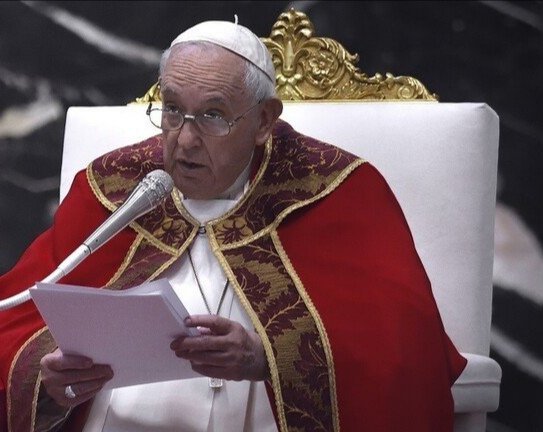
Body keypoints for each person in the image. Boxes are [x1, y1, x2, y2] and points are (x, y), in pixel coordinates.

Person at [0, 19, 466, 432]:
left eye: (213, 116)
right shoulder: (115, 186)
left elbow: (404, 355)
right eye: (172, 109)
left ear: (263, 120)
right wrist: (49, 385)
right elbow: (16, 328)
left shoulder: (337, 190)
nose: (184, 140)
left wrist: (269, 358)